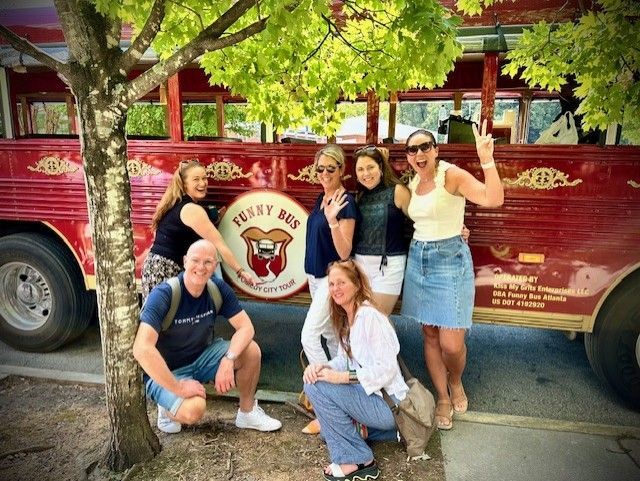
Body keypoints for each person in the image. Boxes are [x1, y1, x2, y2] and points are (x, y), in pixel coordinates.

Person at [401, 119, 504, 430]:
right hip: (419, 259)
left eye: (424, 147)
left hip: (451, 260)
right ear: (407, 156)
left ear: (435, 150)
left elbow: (493, 198)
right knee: (430, 334)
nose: (419, 154)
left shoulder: (451, 175)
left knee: (452, 344)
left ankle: (456, 379)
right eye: (411, 150)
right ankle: (443, 396)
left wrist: (486, 159)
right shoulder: (411, 184)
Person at [133, 239, 281, 434]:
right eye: (195, 260)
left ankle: (247, 412)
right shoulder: (165, 294)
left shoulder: (216, 289)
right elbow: (141, 349)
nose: (201, 268)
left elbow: (246, 328)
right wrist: (178, 387)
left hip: (202, 358)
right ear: (185, 261)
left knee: (250, 350)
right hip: (169, 371)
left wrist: (229, 360)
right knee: (195, 409)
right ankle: (167, 409)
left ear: (215, 266)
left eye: (208, 262)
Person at [303, 259, 408, 481]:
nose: (335, 289)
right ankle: (377, 433)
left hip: (389, 404)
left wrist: (340, 377)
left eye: (341, 283)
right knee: (321, 400)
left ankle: (358, 460)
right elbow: (344, 360)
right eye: (331, 284)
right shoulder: (348, 317)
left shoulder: (369, 317)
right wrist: (323, 367)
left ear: (357, 284)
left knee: (315, 387)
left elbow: (386, 369)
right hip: (373, 399)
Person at [352, 145, 470, 316]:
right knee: (362, 319)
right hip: (360, 265)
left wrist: (453, 227)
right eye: (360, 169)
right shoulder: (359, 197)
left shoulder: (398, 192)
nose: (366, 173)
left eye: (371, 167)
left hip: (389, 265)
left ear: (381, 168)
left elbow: (422, 216)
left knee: (376, 318)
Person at [300, 145, 359, 434]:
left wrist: (333, 219)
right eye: (319, 168)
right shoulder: (320, 198)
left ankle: (327, 398)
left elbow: (345, 251)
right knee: (333, 338)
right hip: (315, 277)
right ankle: (347, 408)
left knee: (309, 335)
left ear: (342, 170)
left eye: (330, 169)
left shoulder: (345, 202)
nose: (324, 173)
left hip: (330, 279)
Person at [141, 159, 257, 299]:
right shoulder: (192, 210)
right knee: (167, 318)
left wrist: (216, 216)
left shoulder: (177, 203)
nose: (202, 183)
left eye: (204, 178)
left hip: (157, 267)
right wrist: (240, 271)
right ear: (184, 184)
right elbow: (219, 244)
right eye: (196, 179)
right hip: (165, 270)